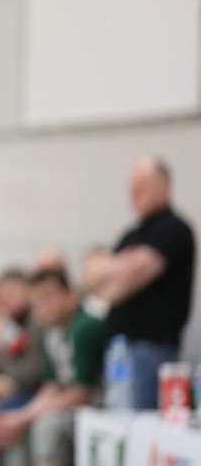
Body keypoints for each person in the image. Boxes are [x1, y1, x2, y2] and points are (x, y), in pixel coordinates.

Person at [0, 267, 107, 466]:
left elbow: (81, 394)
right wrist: (22, 417)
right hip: (67, 405)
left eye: (48, 298)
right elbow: (51, 386)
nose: (42, 308)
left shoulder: (86, 327)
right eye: (36, 302)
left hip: (97, 408)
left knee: (47, 425)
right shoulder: (49, 332)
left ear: (70, 295)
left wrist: (24, 417)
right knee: (16, 425)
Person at [84, 156, 196, 409]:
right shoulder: (132, 234)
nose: (134, 192)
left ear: (165, 186)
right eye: (132, 186)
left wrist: (109, 269)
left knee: (139, 420)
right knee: (117, 415)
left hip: (151, 349)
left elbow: (128, 277)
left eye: (143, 184)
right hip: (119, 348)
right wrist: (117, 269)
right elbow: (93, 280)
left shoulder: (173, 229)